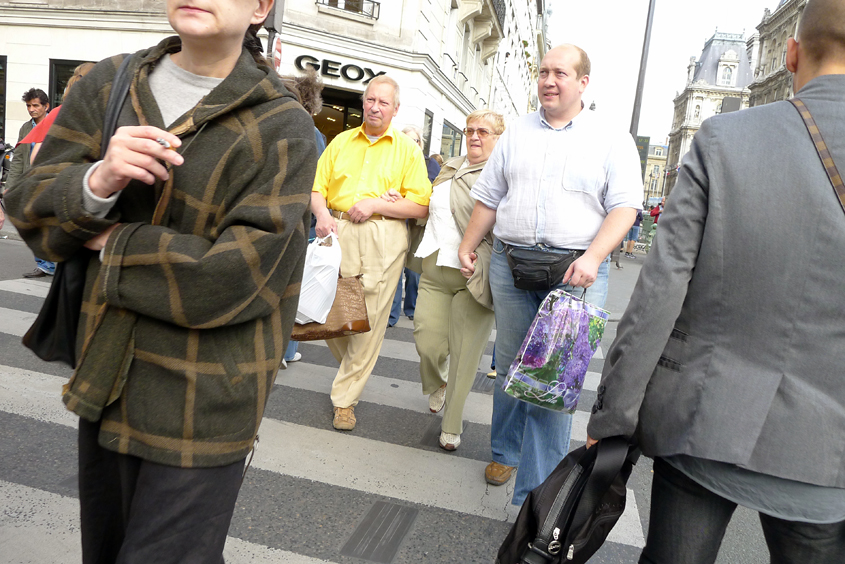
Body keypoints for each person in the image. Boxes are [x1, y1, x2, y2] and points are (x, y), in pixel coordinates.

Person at [4, 0, 317, 561]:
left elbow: (236, 275)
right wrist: (97, 180)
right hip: (110, 376)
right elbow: (28, 207)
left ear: (260, 8)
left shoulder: (282, 124)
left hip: (208, 394)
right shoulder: (111, 82)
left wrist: (116, 242)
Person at [587, 1, 845, 561]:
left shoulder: (725, 139)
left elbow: (659, 292)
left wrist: (614, 417)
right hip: (829, 451)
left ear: (792, 52)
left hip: (705, 419)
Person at [457, 44, 642, 505]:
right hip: (510, 263)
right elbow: (489, 196)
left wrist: (595, 257)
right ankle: (504, 450)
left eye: (560, 72)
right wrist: (466, 245)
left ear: (583, 82)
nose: (548, 80)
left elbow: (625, 206)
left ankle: (533, 501)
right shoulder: (517, 131)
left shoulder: (610, 137)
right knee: (510, 370)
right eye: (543, 71)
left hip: (575, 274)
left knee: (551, 386)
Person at [311, 75, 431, 431]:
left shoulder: (408, 150)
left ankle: (344, 400)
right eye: (370, 100)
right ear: (363, 102)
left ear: (395, 109)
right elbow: (317, 188)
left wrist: (378, 203)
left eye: (383, 102)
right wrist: (320, 215)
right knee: (331, 316)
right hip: (338, 230)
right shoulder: (341, 142)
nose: (375, 107)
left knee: (370, 319)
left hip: (383, 236)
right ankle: (353, 370)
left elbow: (420, 206)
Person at [405, 109, 504, 451]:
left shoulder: (504, 173)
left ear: (499, 138)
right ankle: (438, 380)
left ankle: (452, 424)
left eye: (484, 132)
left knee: (466, 355)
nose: (474, 136)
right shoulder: (449, 167)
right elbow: (430, 208)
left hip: (474, 274)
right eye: (470, 130)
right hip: (434, 266)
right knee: (427, 342)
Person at [388, 125, 438, 327]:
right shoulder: (393, 162)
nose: (411, 144)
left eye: (415, 140)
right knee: (394, 269)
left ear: (420, 143)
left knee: (413, 271)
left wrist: (405, 197)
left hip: (417, 226)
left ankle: (411, 308)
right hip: (396, 222)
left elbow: (430, 191)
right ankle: (390, 316)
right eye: (407, 140)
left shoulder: (430, 164)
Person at [8, 87, 55, 278]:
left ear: (46, 106)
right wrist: (9, 185)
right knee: (34, 223)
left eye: (35, 105)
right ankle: (45, 265)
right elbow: (18, 158)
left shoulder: (57, 124)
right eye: (29, 106)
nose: (31, 109)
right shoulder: (26, 128)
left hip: (52, 181)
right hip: (31, 183)